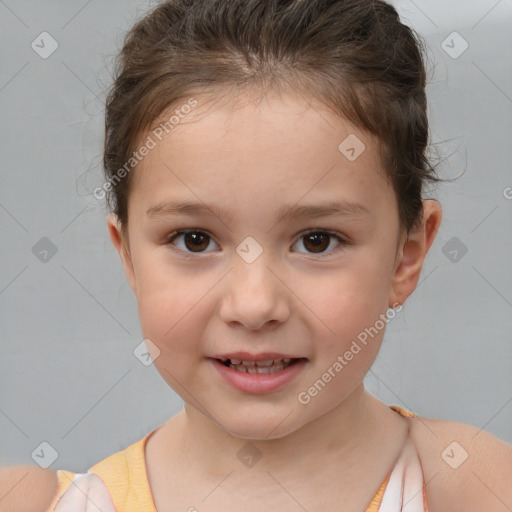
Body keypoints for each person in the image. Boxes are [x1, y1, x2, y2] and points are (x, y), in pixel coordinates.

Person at [1, 1, 510, 511]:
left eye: (317, 240)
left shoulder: (473, 487)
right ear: (129, 255)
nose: (254, 305)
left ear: (408, 254)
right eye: (194, 240)